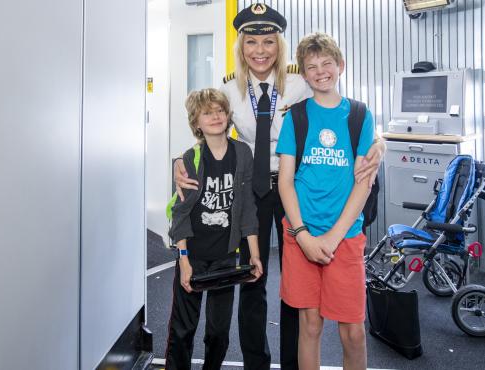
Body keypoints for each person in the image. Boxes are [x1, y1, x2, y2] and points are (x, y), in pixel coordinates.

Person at [174, 4, 384, 370]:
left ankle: (292, 363)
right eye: (252, 41)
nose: (260, 50)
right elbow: (208, 129)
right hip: (249, 192)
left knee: (296, 286)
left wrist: (379, 144)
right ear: (241, 47)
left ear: (279, 46)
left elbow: (342, 110)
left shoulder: (301, 82)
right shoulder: (229, 88)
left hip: (293, 188)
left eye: (268, 41)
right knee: (253, 278)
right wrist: (179, 161)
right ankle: (256, 363)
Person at [277, 32, 374, 370]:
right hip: (300, 235)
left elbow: (363, 185)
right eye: (311, 66)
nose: (320, 71)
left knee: (353, 332)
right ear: (303, 74)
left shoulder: (360, 115)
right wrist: (303, 234)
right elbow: (286, 182)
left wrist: (332, 237)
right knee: (311, 324)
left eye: (327, 64)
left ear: (340, 66)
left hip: (344, 238)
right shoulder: (296, 116)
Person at [165, 88, 263, 370]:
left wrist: (253, 255)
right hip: (193, 255)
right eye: (207, 112)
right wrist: (183, 262)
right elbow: (181, 215)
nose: (216, 116)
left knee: (219, 332)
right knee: (183, 329)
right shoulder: (191, 158)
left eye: (220, 110)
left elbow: (246, 209)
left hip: (224, 257)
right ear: (196, 122)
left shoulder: (242, 153)